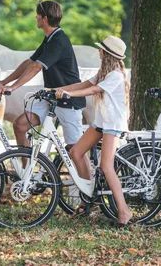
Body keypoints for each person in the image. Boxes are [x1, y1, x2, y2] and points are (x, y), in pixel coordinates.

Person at [53, 35, 132, 226]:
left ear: (107, 54)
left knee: (106, 166)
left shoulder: (115, 75)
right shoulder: (104, 73)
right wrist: (57, 88)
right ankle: (88, 197)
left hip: (113, 125)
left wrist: (69, 94)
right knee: (76, 152)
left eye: (101, 49)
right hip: (101, 122)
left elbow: (93, 91)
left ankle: (124, 211)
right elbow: (84, 85)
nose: (99, 51)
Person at [0, 1, 86, 151]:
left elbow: (37, 67)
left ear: (44, 18)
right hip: (52, 97)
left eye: (37, 15)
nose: (35, 17)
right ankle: (26, 173)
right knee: (20, 125)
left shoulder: (58, 41)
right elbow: (30, 62)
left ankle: (87, 176)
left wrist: (13, 87)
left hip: (68, 99)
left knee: (76, 151)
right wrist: (4, 82)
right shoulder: (49, 38)